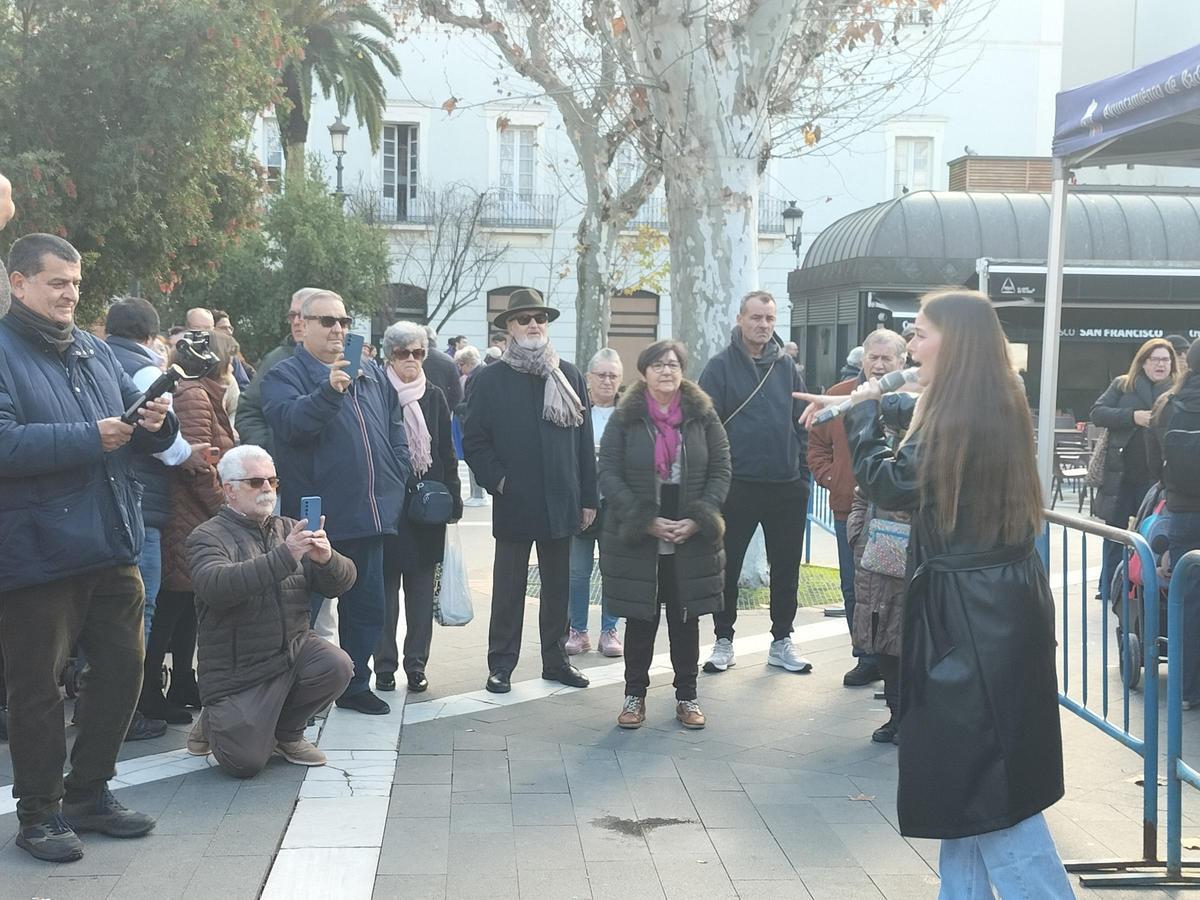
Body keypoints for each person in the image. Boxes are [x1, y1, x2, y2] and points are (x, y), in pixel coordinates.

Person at [799, 289, 1071, 897]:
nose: (910, 342)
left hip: (975, 617)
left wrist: (859, 412)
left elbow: (893, 481)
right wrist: (876, 394)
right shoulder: (983, 394)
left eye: (920, 332)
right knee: (966, 782)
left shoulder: (966, 407)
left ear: (957, 341)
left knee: (989, 786)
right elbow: (914, 407)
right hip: (984, 606)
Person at [0, 233, 177, 862]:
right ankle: (40, 812)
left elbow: (131, 435)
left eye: (75, 283)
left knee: (125, 669)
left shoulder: (95, 351)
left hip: (111, 540)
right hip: (36, 551)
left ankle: (89, 792)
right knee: (38, 689)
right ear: (19, 283)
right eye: (56, 283)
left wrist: (158, 426)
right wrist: (88, 437)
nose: (70, 293)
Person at [262, 289, 412, 715]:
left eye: (344, 322)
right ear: (302, 325)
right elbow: (290, 426)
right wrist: (329, 392)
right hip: (317, 519)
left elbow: (394, 425)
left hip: (370, 513)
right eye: (327, 321)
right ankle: (289, 691)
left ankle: (355, 683)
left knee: (367, 606)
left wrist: (396, 471)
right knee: (300, 611)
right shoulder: (284, 375)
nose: (338, 330)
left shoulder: (371, 372)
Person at [185, 446, 356, 776]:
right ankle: (214, 721)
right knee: (244, 763)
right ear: (229, 489)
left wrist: (327, 560)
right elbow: (216, 587)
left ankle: (288, 734)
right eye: (255, 481)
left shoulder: (289, 527)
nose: (267, 488)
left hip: (291, 652)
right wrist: (285, 556)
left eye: (272, 481)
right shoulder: (206, 536)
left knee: (337, 665)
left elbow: (342, 582)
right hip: (239, 670)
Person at [463, 288, 597, 694]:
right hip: (515, 501)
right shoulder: (490, 379)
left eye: (539, 318)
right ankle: (501, 664)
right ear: (509, 328)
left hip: (562, 500)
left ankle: (555, 662)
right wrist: (501, 481)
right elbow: (474, 442)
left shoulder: (568, 374)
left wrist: (588, 497)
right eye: (524, 319)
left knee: (557, 590)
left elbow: (583, 440)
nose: (533, 324)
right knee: (508, 591)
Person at [599, 341, 730, 729]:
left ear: (683, 371)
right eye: (657, 365)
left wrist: (699, 517)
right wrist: (644, 519)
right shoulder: (626, 417)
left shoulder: (703, 417)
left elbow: (722, 469)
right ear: (643, 372)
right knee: (641, 618)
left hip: (688, 523)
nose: (666, 371)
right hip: (640, 528)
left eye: (673, 364)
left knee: (685, 616)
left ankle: (687, 696)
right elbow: (608, 471)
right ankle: (634, 696)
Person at [105, 298, 215, 736]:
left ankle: (114, 707)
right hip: (142, 506)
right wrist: (193, 456)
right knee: (140, 610)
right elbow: (167, 443)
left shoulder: (96, 358)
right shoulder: (148, 371)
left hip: (108, 499)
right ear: (152, 337)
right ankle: (129, 709)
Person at [697, 290, 812, 675]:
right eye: (756, 318)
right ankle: (723, 639)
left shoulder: (787, 367)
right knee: (724, 567)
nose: (763, 325)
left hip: (785, 485)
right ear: (740, 318)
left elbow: (802, 423)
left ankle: (782, 640)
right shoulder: (718, 368)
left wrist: (802, 476)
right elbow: (704, 430)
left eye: (770, 319)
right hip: (737, 486)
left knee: (786, 567)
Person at [147, 330, 239, 725]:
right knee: (171, 609)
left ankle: (183, 681)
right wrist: (226, 508)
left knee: (187, 607)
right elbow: (199, 464)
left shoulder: (201, 393)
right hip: (186, 516)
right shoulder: (196, 395)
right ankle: (151, 693)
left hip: (190, 516)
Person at [809, 329, 906, 688]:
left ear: (902, 361)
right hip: (848, 510)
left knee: (895, 591)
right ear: (862, 358)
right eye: (873, 357)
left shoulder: (909, 397)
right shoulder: (837, 396)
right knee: (855, 588)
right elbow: (817, 449)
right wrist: (834, 478)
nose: (879, 364)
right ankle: (866, 657)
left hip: (899, 515)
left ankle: (896, 662)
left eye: (887, 358)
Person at [375, 321, 462, 694]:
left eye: (418, 352)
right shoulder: (376, 393)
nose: (411, 359)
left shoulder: (435, 395)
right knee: (384, 594)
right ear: (389, 355)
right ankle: (383, 665)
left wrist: (454, 499)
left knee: (421, 594)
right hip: (388, 507)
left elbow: (446, 451)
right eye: (403, 352)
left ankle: (416, 665)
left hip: (427, 509)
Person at [1090, 338, 1178, 599]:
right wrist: (1132, 416)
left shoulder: (1177, 389)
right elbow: (1098, 412)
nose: (1160, 364)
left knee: (1152, 536)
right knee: (1114, 536)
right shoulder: (1122, 384)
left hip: (1156, 479)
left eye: (1165, 360)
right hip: (1121, 475)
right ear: (1143, 362)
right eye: (1155, 359)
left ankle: (1141, 588)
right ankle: (1108, 587)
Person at [1147, 338, 1200, 707]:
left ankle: (1185, 690)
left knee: (1188, 601)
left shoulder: (1167, 405)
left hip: (1182, 514)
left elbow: (1156, 467)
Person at [568, 348, 625, 657]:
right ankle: (577, 630)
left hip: (616, 506)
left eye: (612, 375)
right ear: (588, 377)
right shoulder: (576, 410)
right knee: (577, 572)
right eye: (601, 375)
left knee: (612, 570)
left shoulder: (629, 413)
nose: (606, 381)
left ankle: (609, 630)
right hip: (581, 503)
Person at [236, 287, 320, 453]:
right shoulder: (275, 360)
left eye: (302, 315)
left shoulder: (352, 363)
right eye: (292, 315)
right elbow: (249, 411)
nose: (296, 322)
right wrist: (268, 451)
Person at [454, 344, 488, 507]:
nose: (460, 369)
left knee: (475, 457)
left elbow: (475, 402)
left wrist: (457, 406)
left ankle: (479, 494)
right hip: (472, 420)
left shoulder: (480, 375)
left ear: (467, 363)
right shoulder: (479, 373)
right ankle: (476, 493)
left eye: (461, 365)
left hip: (476, 423)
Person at [422, 324, 464, 412]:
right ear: (435, 340)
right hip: (439, 410)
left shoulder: (410, 359)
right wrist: (446, 409)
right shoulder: (448, 361)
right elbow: (457, 394)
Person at [213, 309, 252, 389]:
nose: (229, 332)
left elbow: (243, 386)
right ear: (212, 329)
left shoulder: (232, 357)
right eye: (224, 328)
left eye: (230, 328)